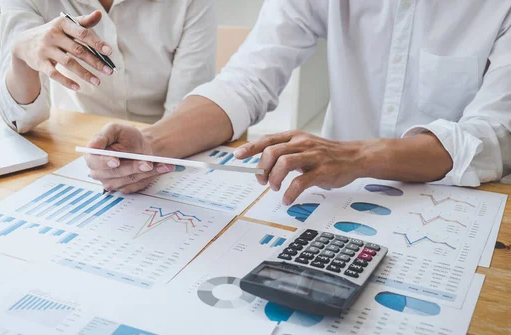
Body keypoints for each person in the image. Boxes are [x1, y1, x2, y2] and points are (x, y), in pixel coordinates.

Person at [85, 1, 511, 205]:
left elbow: (492, 138)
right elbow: (245, 82)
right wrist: (151, 146)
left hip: (463, 209)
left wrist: (359, 154)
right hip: (338, 201)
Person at [0, 0, 216, 135]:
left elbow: (185, 115)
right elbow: (21, 120)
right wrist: (21, 57)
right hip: (76, 145)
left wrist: (147, 149)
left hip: (164, 140)